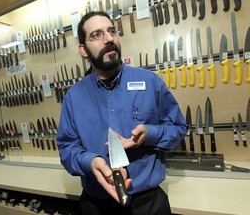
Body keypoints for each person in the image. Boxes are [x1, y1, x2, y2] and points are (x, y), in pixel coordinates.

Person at [56, 11, 187, 215]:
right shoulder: (74, 97)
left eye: (111, 31)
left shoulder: (150, 82)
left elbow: (178, 129)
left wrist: (149, 135)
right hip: (96, 206)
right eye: (97, 34)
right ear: (83, 49)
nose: (109, 39)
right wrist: (89, 161)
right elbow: (66, 148)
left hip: (148, 204)